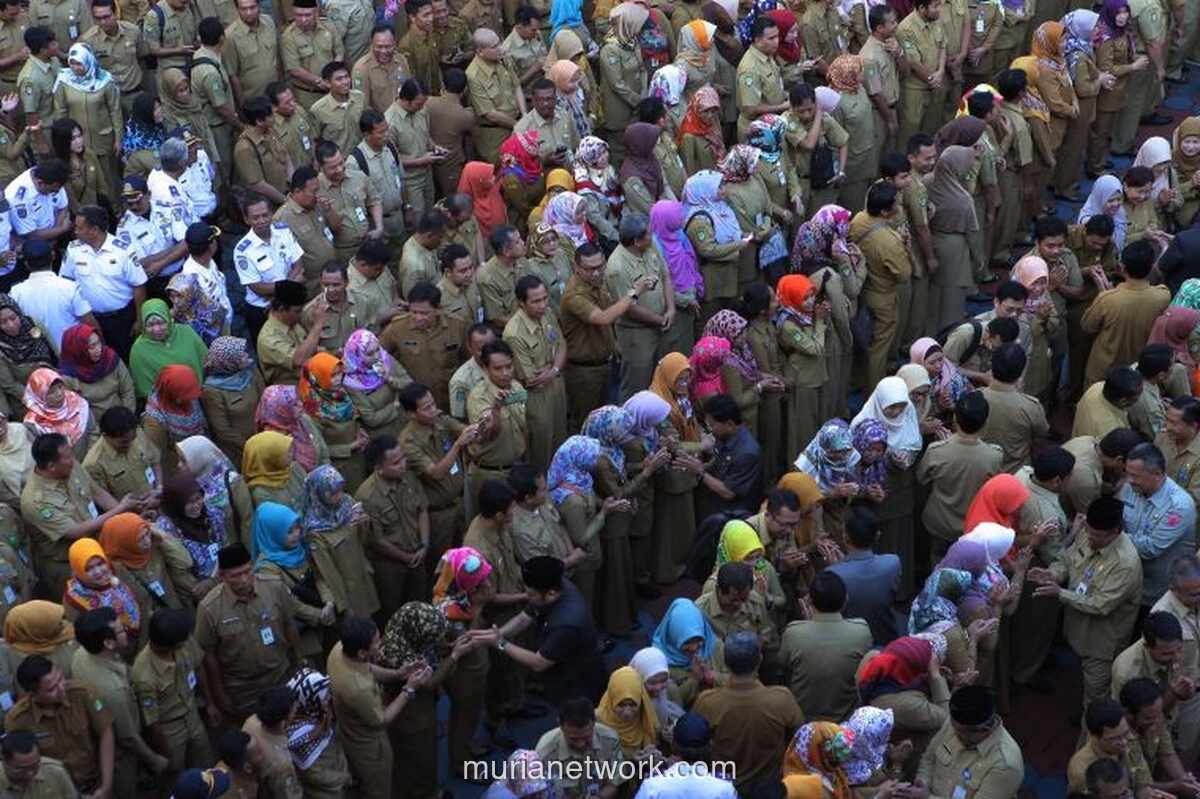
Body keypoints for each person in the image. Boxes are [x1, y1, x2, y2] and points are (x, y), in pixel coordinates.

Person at [1028, 496, 1143, 710]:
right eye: (1088, 530)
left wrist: (1060, 593)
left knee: (1096, 702)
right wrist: (1051, 574)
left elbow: (1101, 604)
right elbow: (1067, 559)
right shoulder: (1089, 531)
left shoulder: (1125, 563)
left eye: (1096, 535)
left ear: (1115, 532)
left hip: (1101, 645)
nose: (1089, 537)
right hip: (1077, 630)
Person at [21, 432, 136, 598]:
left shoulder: (69, 465)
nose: (72, 459)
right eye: (67, 457)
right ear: (52, 466)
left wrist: (125, 518)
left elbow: (97, 492)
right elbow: (76, 531)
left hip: (97, 546)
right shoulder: (35, 500)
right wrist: (121, 509)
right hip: (67, 564)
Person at [195, 544, 301, 722]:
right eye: (236, 575)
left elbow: (289, 625)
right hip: (243, 691)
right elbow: (209, 657)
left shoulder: (274, 588)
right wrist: (219, 696)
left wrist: (298, 663)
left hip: (281, 676)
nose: (244, 579)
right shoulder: (209, 609)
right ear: (222, 576)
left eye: (247, 571)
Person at [327, 615, 428, 799]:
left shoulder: (339, 649)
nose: (380, 644)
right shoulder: (358, 689)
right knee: (378, 790)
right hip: (370, 749)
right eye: (376, 642)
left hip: (348, 731)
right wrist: (409, 689)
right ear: (362, 652)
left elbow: (368, 668)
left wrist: (399, 674)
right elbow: (381, 720)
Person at [693, 631, 804, 793]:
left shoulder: (707, 702)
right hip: (770, 789)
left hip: (724, 789)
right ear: (760, 660)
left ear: (726, 662)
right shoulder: (782, 699)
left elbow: (695, 746)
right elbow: (800, 739)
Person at [4, 654, 114, 796]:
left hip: (96, 782)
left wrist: (106, 784)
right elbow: (20, 764)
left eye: (60, 679)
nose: (61, 688)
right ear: (33, 694)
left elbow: (106, 732)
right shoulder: (17, 719)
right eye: (51, 689)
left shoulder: (83, 694)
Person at [779, 569, 873, 721]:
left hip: (805, 720)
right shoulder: (861, 630)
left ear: (810, 601)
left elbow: (782, 666)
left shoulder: (793, 632)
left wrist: (808, 625)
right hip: (846, 719)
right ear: (846, 599)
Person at [1117, 443, 1196, 611]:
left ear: (1158, 474)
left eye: (1136, 476)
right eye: (1128, 473)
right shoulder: (1130, 488)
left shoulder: (1179, 506)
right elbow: (1119, 520)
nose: (1129, 480)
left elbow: (1150, 548)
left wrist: (1113, 536)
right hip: (1127, 583)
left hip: (1156, 592)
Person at [1082, 240, 1172, 386]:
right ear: (1150, 267)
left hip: (1103, 370)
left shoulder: (1107, 299)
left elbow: (1087, 326)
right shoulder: (1163, 296)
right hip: (1135, 372)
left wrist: (1106, 294)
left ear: (1122, 267)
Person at [502, 274, 568, 470]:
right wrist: (555, 367)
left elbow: (562, 345)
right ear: (521, 303)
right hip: (535, 399)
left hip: (556, 386)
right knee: (542, 448)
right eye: (536, 301)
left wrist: (553, 369)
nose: (542, 305)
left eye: (545, 298)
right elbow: (531, 380)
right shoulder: (514, 333)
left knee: (560, 440)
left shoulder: (546, 314)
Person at [911, 686, 1023, 799]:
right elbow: (928, 759)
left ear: (985, 729)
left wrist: (927, 797)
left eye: (960, 731)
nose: (953, 732)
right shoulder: (956, 722)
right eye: (952, 725)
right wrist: (922, 784)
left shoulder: (1006, 766)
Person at [827, 506, 902, 645]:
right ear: (877, 536)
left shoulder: (832, 574)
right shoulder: (893, 562)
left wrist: (839, 565)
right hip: (886, 640)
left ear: (845, 537)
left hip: (849, 644)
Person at [535, 696, 628, 798]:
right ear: (561, 726)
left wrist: (599, 797)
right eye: (573, 739)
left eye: (586, 737)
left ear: (594, 723)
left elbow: (614, 783)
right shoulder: (545, 751)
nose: (581, 744)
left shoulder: (610, 740)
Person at [258, 280, 324, 388]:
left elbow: (306, 342)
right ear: (281, 309)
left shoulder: (290, 321)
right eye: (297, 311)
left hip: (309, 378)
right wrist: (318, 325)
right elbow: (299, 359)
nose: (301, 314)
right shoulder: (268, 339)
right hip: (290, 390)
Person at [0, 730, 79, 798]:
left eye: (35, 766)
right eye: (21, 769)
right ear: (4, 761)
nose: (30, 774)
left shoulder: (56, 772)